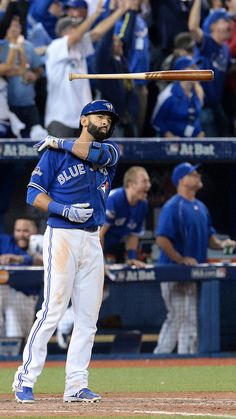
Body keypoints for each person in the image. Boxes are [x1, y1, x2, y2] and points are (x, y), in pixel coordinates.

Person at [13, 99, 120, 404]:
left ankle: (76, 384)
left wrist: (59, 140)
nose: (106, 122)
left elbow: (92, 153)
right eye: (100, 117)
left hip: (92, 240)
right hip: (61, 236)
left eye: (109, 119)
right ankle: (25, 379)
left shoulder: (110, 152)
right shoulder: (54, 155)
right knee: (52, 311)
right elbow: (33, 194)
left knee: (88, 318)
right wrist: (64, 209)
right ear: (84, 119)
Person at [153, 162, 236, 355]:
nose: (198, 175)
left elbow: (210, 238)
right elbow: (162, 239)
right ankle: (160, 357)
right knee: (177, 316)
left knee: (189, 318)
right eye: (193, 173)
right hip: (172, 271)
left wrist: (224, 245)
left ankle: (186, 359)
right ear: (182, 180)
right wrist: (180, 259)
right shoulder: (173, 206)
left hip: (192, 272)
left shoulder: (200, 206)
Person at [45, 0, 130, 137]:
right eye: (76, 27)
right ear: (65, 31)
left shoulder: (80, 48)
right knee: (61, 158)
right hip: (60, 119)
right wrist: (95, 14)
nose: (81, 30)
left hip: (82, 120)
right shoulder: (56, 46)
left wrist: (120, 11)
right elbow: (75, 37)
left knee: (84, 158)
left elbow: (98, 32)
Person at [188, 1, 233, 136]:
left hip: (216, 105)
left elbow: (227, 69)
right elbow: (193, 27)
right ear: (213, 25)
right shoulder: (207, 43)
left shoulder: (225, 49)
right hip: (203, 107)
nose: (229, 25)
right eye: (225, 21)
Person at [0, 217, 43, 339]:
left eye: (25, 231)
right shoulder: (5, 241)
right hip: (3, 293)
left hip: (24, 296)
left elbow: (44, 261)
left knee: (16, 336)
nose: (21, 235)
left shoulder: (42, 242)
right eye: (18, 230)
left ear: (35, 230)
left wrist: (19, 259)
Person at [100, 166, 151, 267]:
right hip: (94, 244)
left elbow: (133, 234)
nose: (149, 185)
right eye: (144, 181)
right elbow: (99, 234)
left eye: (148, 181)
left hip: (117, 245)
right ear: (130, 184)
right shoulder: (114, 199)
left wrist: (132, 259)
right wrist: (100, 263)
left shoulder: (143, 204)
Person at [151, 56, 204, 138]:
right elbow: (157, 121)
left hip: (192, 144)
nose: (197, 71)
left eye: (196, 67)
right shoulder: (168, 94)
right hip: (172, 145)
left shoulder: (197, 92)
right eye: (192, 67)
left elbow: (195, 117)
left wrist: (199, 132)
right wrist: (172, 138)